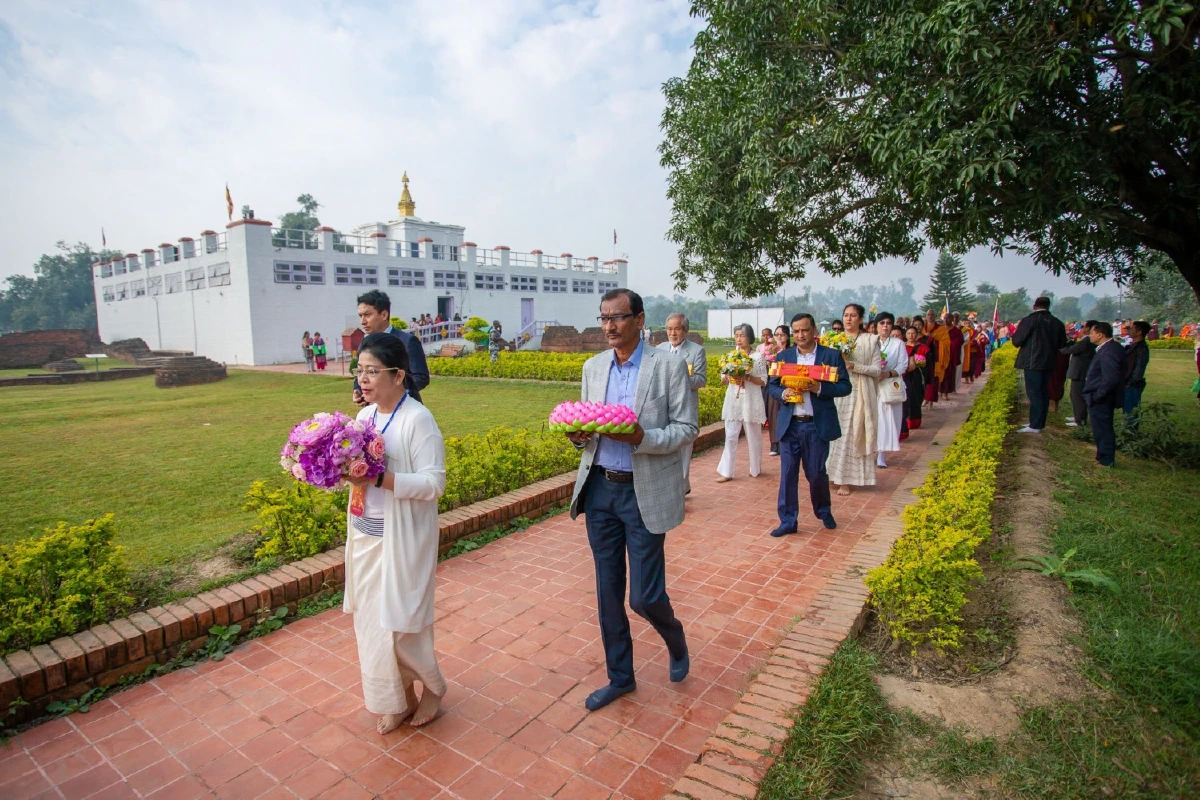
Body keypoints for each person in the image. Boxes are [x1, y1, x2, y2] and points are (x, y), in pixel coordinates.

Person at [566, 289, 695, 711]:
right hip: (600, 488)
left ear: (639, 320)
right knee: (608, 591)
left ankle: (674, 637)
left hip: (644, 491)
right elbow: (587, 423)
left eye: (618, 317)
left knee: (644, 597)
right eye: (603, 318)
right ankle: (620, 677)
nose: (608, 326)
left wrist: (643, 438)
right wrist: (578, 435)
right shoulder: (593, 366)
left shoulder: (669, 366)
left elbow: (686, 429)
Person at [342, 333, 447, 733]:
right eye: (360, 371)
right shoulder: (365, 418)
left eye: (372, 371)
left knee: (404, 624)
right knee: (372, 624)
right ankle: (396, 699)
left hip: (404, 540)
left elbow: (433, 484)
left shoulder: (418, 419)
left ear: (399, 374)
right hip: (365, 535)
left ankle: (433, 688)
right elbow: (356, 474)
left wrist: (382, 477)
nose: (363, 380)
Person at [768, 313, 852, 535]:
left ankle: (824, 511)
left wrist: (819, 389)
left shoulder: (830, 356)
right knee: (787, 474)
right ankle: (787, 520)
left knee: (816, 473)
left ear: (814, 331)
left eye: (804, 330)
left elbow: (845, 386)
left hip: (816, 425)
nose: (800, 335)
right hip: (790, 425)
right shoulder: (784, 356)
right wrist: (783, 393)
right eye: (795, 331)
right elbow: (772, 386)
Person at [827, 303, 882, 496]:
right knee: (835, 434)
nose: (848, 319)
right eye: (846, 315)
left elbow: (877, 370)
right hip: (836, 392)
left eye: (853, 316)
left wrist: (854, 366)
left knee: (852, 434)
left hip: (858, 393)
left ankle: (846, 480)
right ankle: (832, 474)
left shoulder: (870, 340)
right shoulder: (833, 340)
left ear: (860, 319)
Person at [657, 313, 707, 492]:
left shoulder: (696, 351)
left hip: (685, 407)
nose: (672, 333)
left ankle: (680, 489)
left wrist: (678, 379)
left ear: (685, 330)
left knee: (684, 449)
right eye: (669, 329)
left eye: (677, 328)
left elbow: (700, 380)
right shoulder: (659, 349)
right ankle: (676, 486)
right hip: (663, 407)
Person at [354, 290, 430, 405]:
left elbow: (421, 377)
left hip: (404, 408)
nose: (363, 321)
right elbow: (361, 373)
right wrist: (358, 391)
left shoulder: (407, 341)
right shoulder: (365, 343)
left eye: (367, 315)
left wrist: (390, 392)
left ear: (384, 315)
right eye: (360, 316)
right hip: (373, 412)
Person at [717, 324, 768, 482]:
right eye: (736, 335)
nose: (738, 339)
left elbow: (763, 380)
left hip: (751, 400)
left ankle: (755, 468)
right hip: (734, 399)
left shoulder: (757, 357)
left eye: (742, 335)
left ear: (749, 337)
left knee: (753, 436)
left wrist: (747, 377)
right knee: (731, 435)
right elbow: (723, 378)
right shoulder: (732, 356)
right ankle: (727, 471)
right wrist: (727, 377)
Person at [1011, 296, 1068, 433]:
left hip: (1032, 362)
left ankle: (1035, 425)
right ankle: (1038, 422)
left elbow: (1017, 341)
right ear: (1049, 306)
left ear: (1034, 306)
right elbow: (1062, 344)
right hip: (1049, 362)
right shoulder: (1057, 323)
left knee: (1034, 393)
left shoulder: (1029, 320)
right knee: (1043, 392)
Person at [1083, 322, 1126, 467]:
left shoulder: (1109, 351)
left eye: (1092, 333)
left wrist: (1097, 396)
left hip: (1102, 397)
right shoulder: (1108, 348)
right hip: (1100, 395)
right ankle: (1101, 455)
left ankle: (1106, 459)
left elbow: (1110, 378)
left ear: (1100, 335)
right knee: (1099, 427)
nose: (1090, 336)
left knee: (1103, 428)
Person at [875, 313, 908, 469]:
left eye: (888, 323)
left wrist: (886, 374)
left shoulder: (898, 344)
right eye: (882, 323)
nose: (885, 326)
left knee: (888, 420)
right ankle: (870, 451)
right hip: (872, 385)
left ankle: (882, 454)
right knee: (873, 419)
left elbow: (903, 365)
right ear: (876, 326)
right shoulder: (870, 341)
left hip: (889, 384)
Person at [1061, 320, 1097, 428]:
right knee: (1075, 395)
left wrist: (1060, 349)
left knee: (1077, 396)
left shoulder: (1086, 341)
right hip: (1080, 372)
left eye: (1085, 327)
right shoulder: (1086, 341)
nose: (1082, 329)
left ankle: (1080, 419)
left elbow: (1072, 349)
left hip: (1081, 372)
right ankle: (1078, 416)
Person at [765, 325, 792, 456]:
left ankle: (783, 442)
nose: (779, 337)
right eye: (776, 335)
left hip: (788, 385)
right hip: (775, 385)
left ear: (787, 336)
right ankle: (774, 443)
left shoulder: (791, 352)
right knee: (773, 414)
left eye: (782, 334)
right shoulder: (771, 350)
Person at [1123, 320, 1151, 429]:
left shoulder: (1141, 348)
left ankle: (1131, 435)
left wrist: (1130, 383)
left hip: (1132, 385)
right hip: (1128, 383)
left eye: (1132, 328)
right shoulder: (1133, 346)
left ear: (1139, 332)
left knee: (1131, 413)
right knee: (1127, 411)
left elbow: (1139, 369)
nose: (1129, 330)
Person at [903, 326, 929, 431]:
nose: (911, 336)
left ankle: (915, 421)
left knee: (917, 396)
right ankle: (906, 421)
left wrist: (918, 361)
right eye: (908, 333)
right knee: (907, 397)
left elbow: (926, 363)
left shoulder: (923, 347)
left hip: (917, 375)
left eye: (913, 333)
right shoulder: (901, 346)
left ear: (917, 334)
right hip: (905, 375)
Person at [924, 310, 951, 404]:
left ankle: (930, 399)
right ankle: (924, 398)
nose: (930, 316)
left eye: (932, 315)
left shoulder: (941, 329)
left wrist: (933, 339)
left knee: (933, 378)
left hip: (936, 357)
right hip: (923, 357)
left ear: (935, 316)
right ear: (926, 316)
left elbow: (947, 343)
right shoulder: (922, 328)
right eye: (928, 315)